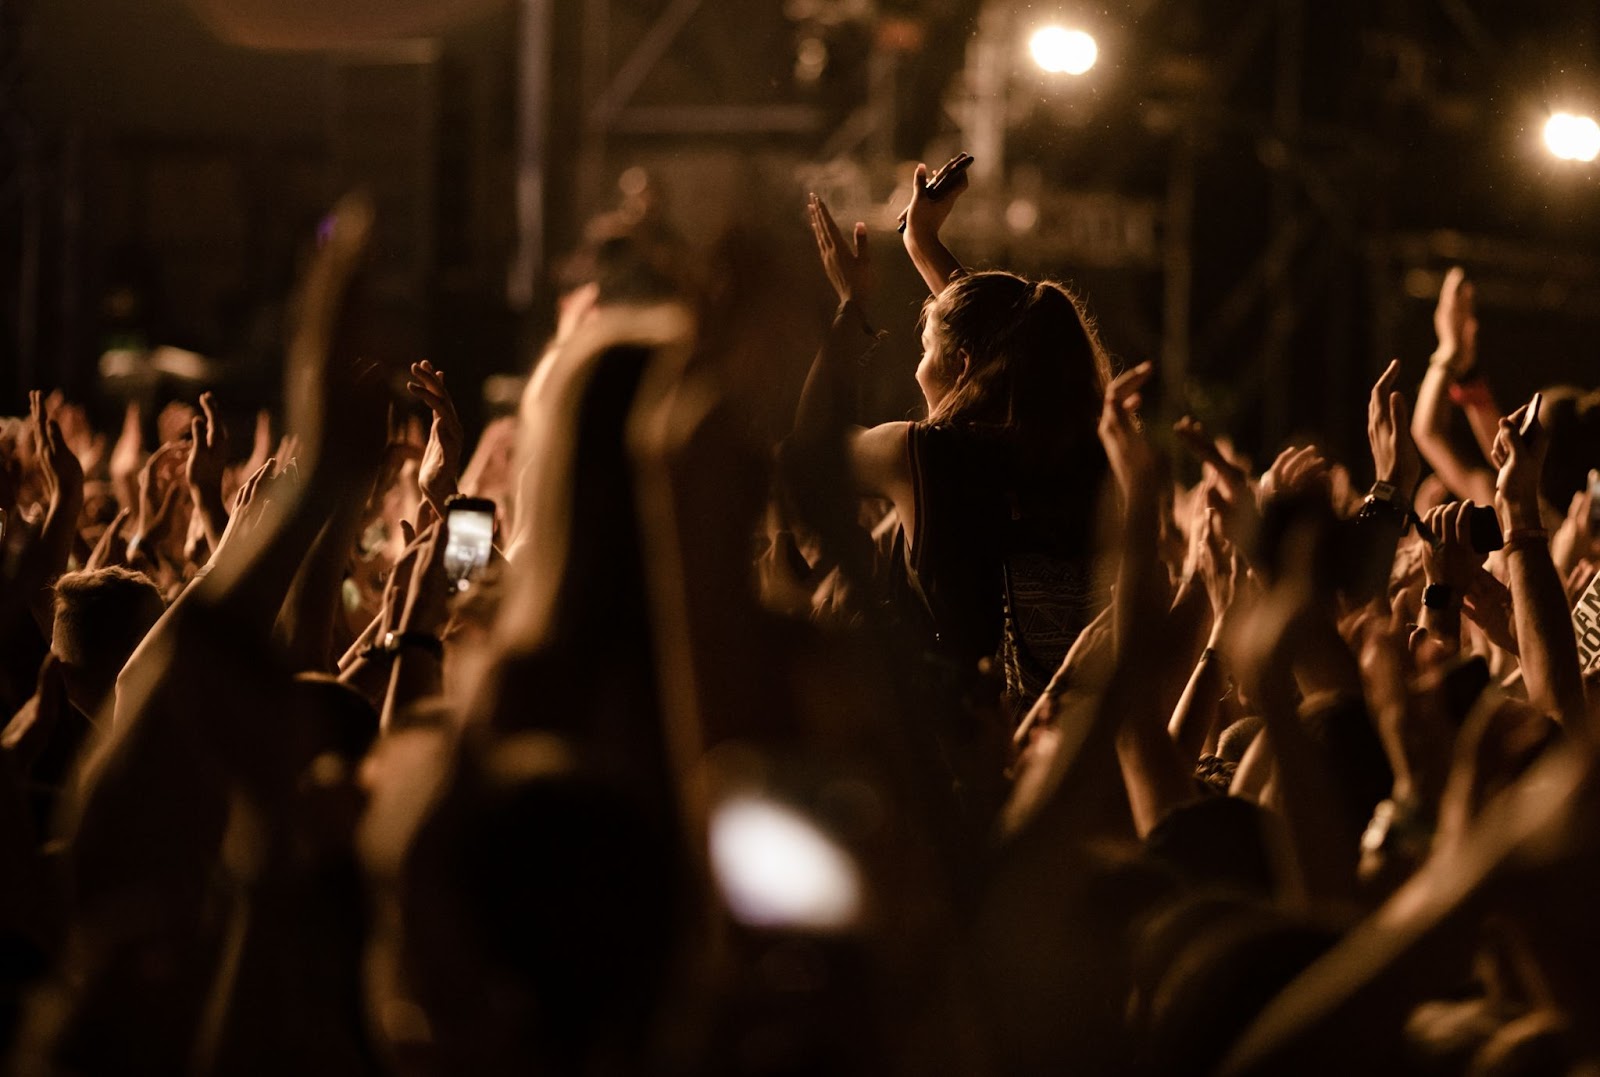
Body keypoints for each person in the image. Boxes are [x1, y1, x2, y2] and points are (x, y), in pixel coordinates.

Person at [793, 159, 1114, 713]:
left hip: (966, 759)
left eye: (924, 353)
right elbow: (1012, 343)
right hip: (1075, 750)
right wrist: (922, 246)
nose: (918, 367)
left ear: (962, 365)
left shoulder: (923, 456)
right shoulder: (1092, 453)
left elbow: (810, 450)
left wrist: (851, 310)